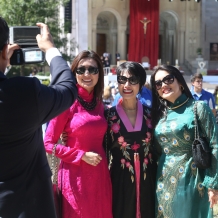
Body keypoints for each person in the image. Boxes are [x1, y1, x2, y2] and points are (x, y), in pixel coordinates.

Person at [0, 18, 78, 217]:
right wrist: (50, 49)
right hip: (25, 207)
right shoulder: (23, 93)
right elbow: (67, 89)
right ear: (4, 51)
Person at [44, 50, 112, 218]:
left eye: (92, 69)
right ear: (74, 73)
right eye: (81, 70)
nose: (86, 74)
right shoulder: (67, 102)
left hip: (100, 174)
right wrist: (81, 155)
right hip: (75, 178)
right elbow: (47, 143)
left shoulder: (99, 103)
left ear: (99, 74)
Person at [150, 65, 218, 218]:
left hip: (192, 180)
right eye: (158, 83)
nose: (164, 85)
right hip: (163, 182)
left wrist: (213, 185)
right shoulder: (160, 115)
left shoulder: (198, 108)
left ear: (180, 82)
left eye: (168, 79)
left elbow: (215, 144)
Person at [105, 61, 157, 218]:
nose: (127, 85)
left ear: (140, 84)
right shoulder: (108, 116)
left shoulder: (151, 115)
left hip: (149, 178)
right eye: (122, 80)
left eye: (133, 80)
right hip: (120, 181)